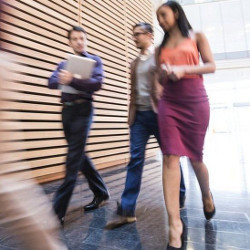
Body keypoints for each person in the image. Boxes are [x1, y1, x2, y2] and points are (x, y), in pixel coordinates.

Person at [105, 22, 186, 229]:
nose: (134, 38)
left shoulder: (160, 55)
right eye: (133, 35)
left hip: (160, 115)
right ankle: (127, 210)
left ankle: (180, 195)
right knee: (135, 160)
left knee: (170, 157)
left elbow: (172, 80)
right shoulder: (133, 63)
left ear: (149, 35)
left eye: (137, 34)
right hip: (139, 117)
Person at [156, 1, 216, 249]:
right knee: (170, 157)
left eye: (164, 15)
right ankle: (175, 225)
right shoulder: (160, 48)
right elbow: (158, 77)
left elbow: (211, 65)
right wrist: (165, 74)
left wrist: (183, 69)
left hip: (194, 101)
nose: (160, 20)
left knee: (195, 158)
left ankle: (206, 194)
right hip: (169, 102)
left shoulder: (196, 36)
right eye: (158, 17)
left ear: (177, 12)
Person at [48, 26, 109, 225]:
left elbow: (97, 84)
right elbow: (51, 82)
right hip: (67, 111)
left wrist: (72, 79)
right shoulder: (64, 64)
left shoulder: (94, 61)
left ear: (86, 40)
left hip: (84, 111)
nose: (79, 42)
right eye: (75, 39)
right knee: (79, 154)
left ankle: (57, 212)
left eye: (82, 38)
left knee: (72, 160)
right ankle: (101, 192)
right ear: (69, 42)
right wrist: (62, 78)